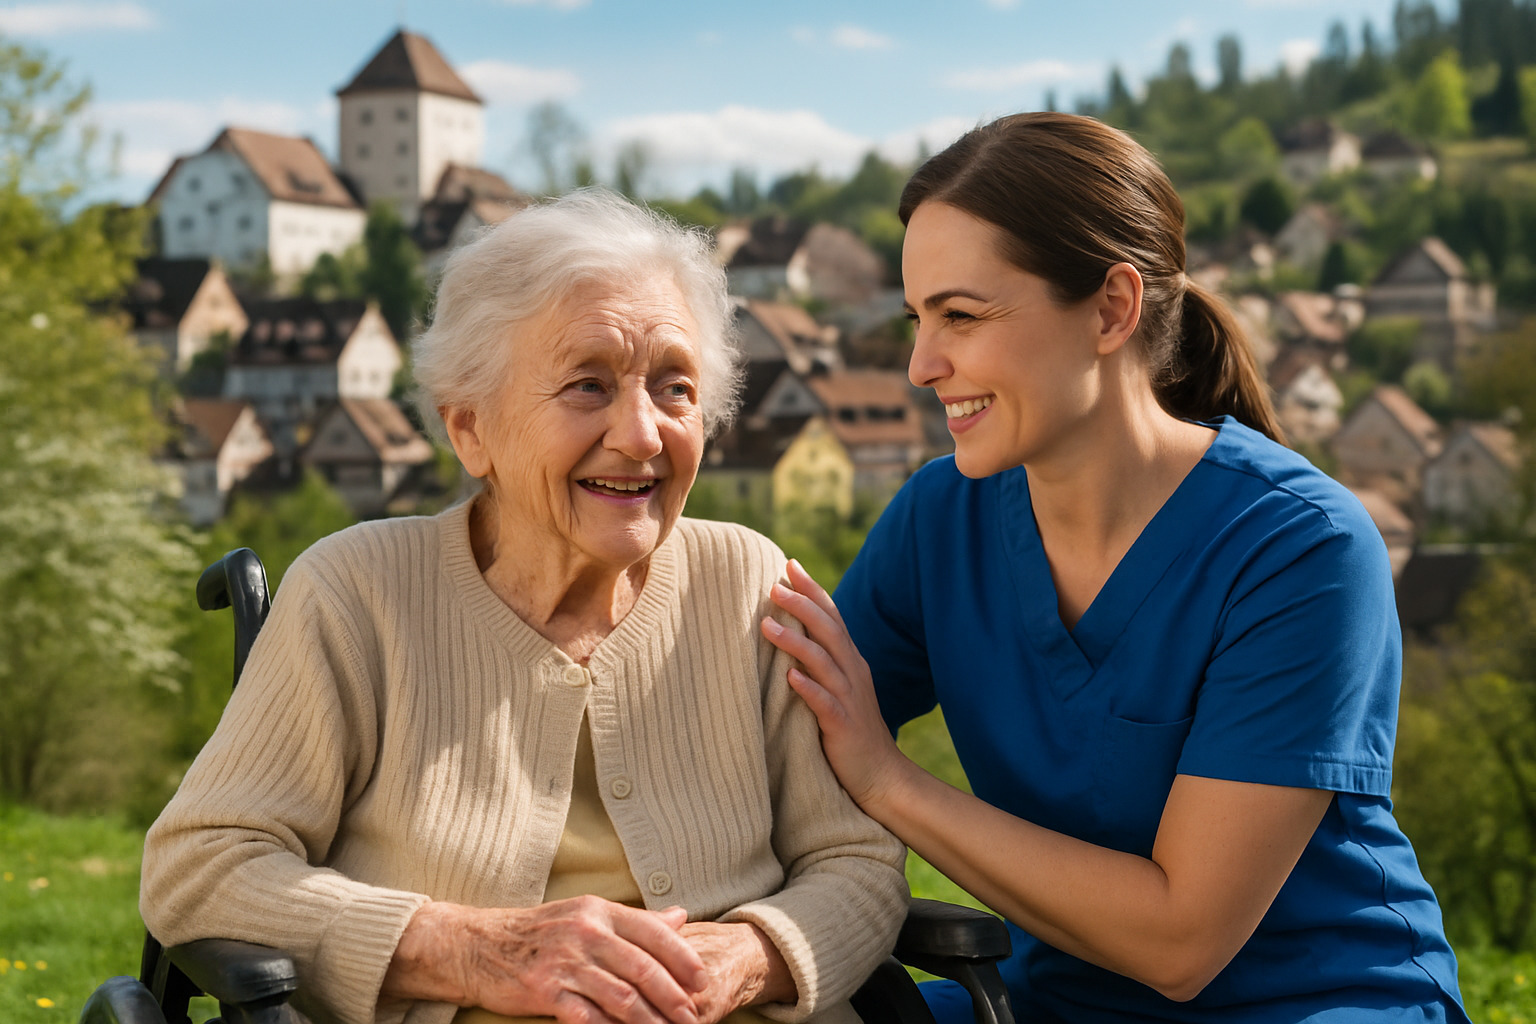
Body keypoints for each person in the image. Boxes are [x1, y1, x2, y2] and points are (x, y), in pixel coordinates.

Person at [760, 112, 1472, 1024]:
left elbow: (1181, 941)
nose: (921, 364)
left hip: (1316, 1005)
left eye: (962, 316)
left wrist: (888, 780)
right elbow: (781, 731)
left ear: (1110, 309)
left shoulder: (1302, 549)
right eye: (917, 318)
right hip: (1052, 1001)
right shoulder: (941, 521)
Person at [140, 189, 908, 1024]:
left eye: (675, 387)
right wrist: (467, 949)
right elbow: (203, 867)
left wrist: (749, 956)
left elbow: (857, 859)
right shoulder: (357, 591)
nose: (643, 434)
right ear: (472, 430)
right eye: (587, 386)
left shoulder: (749, 583)